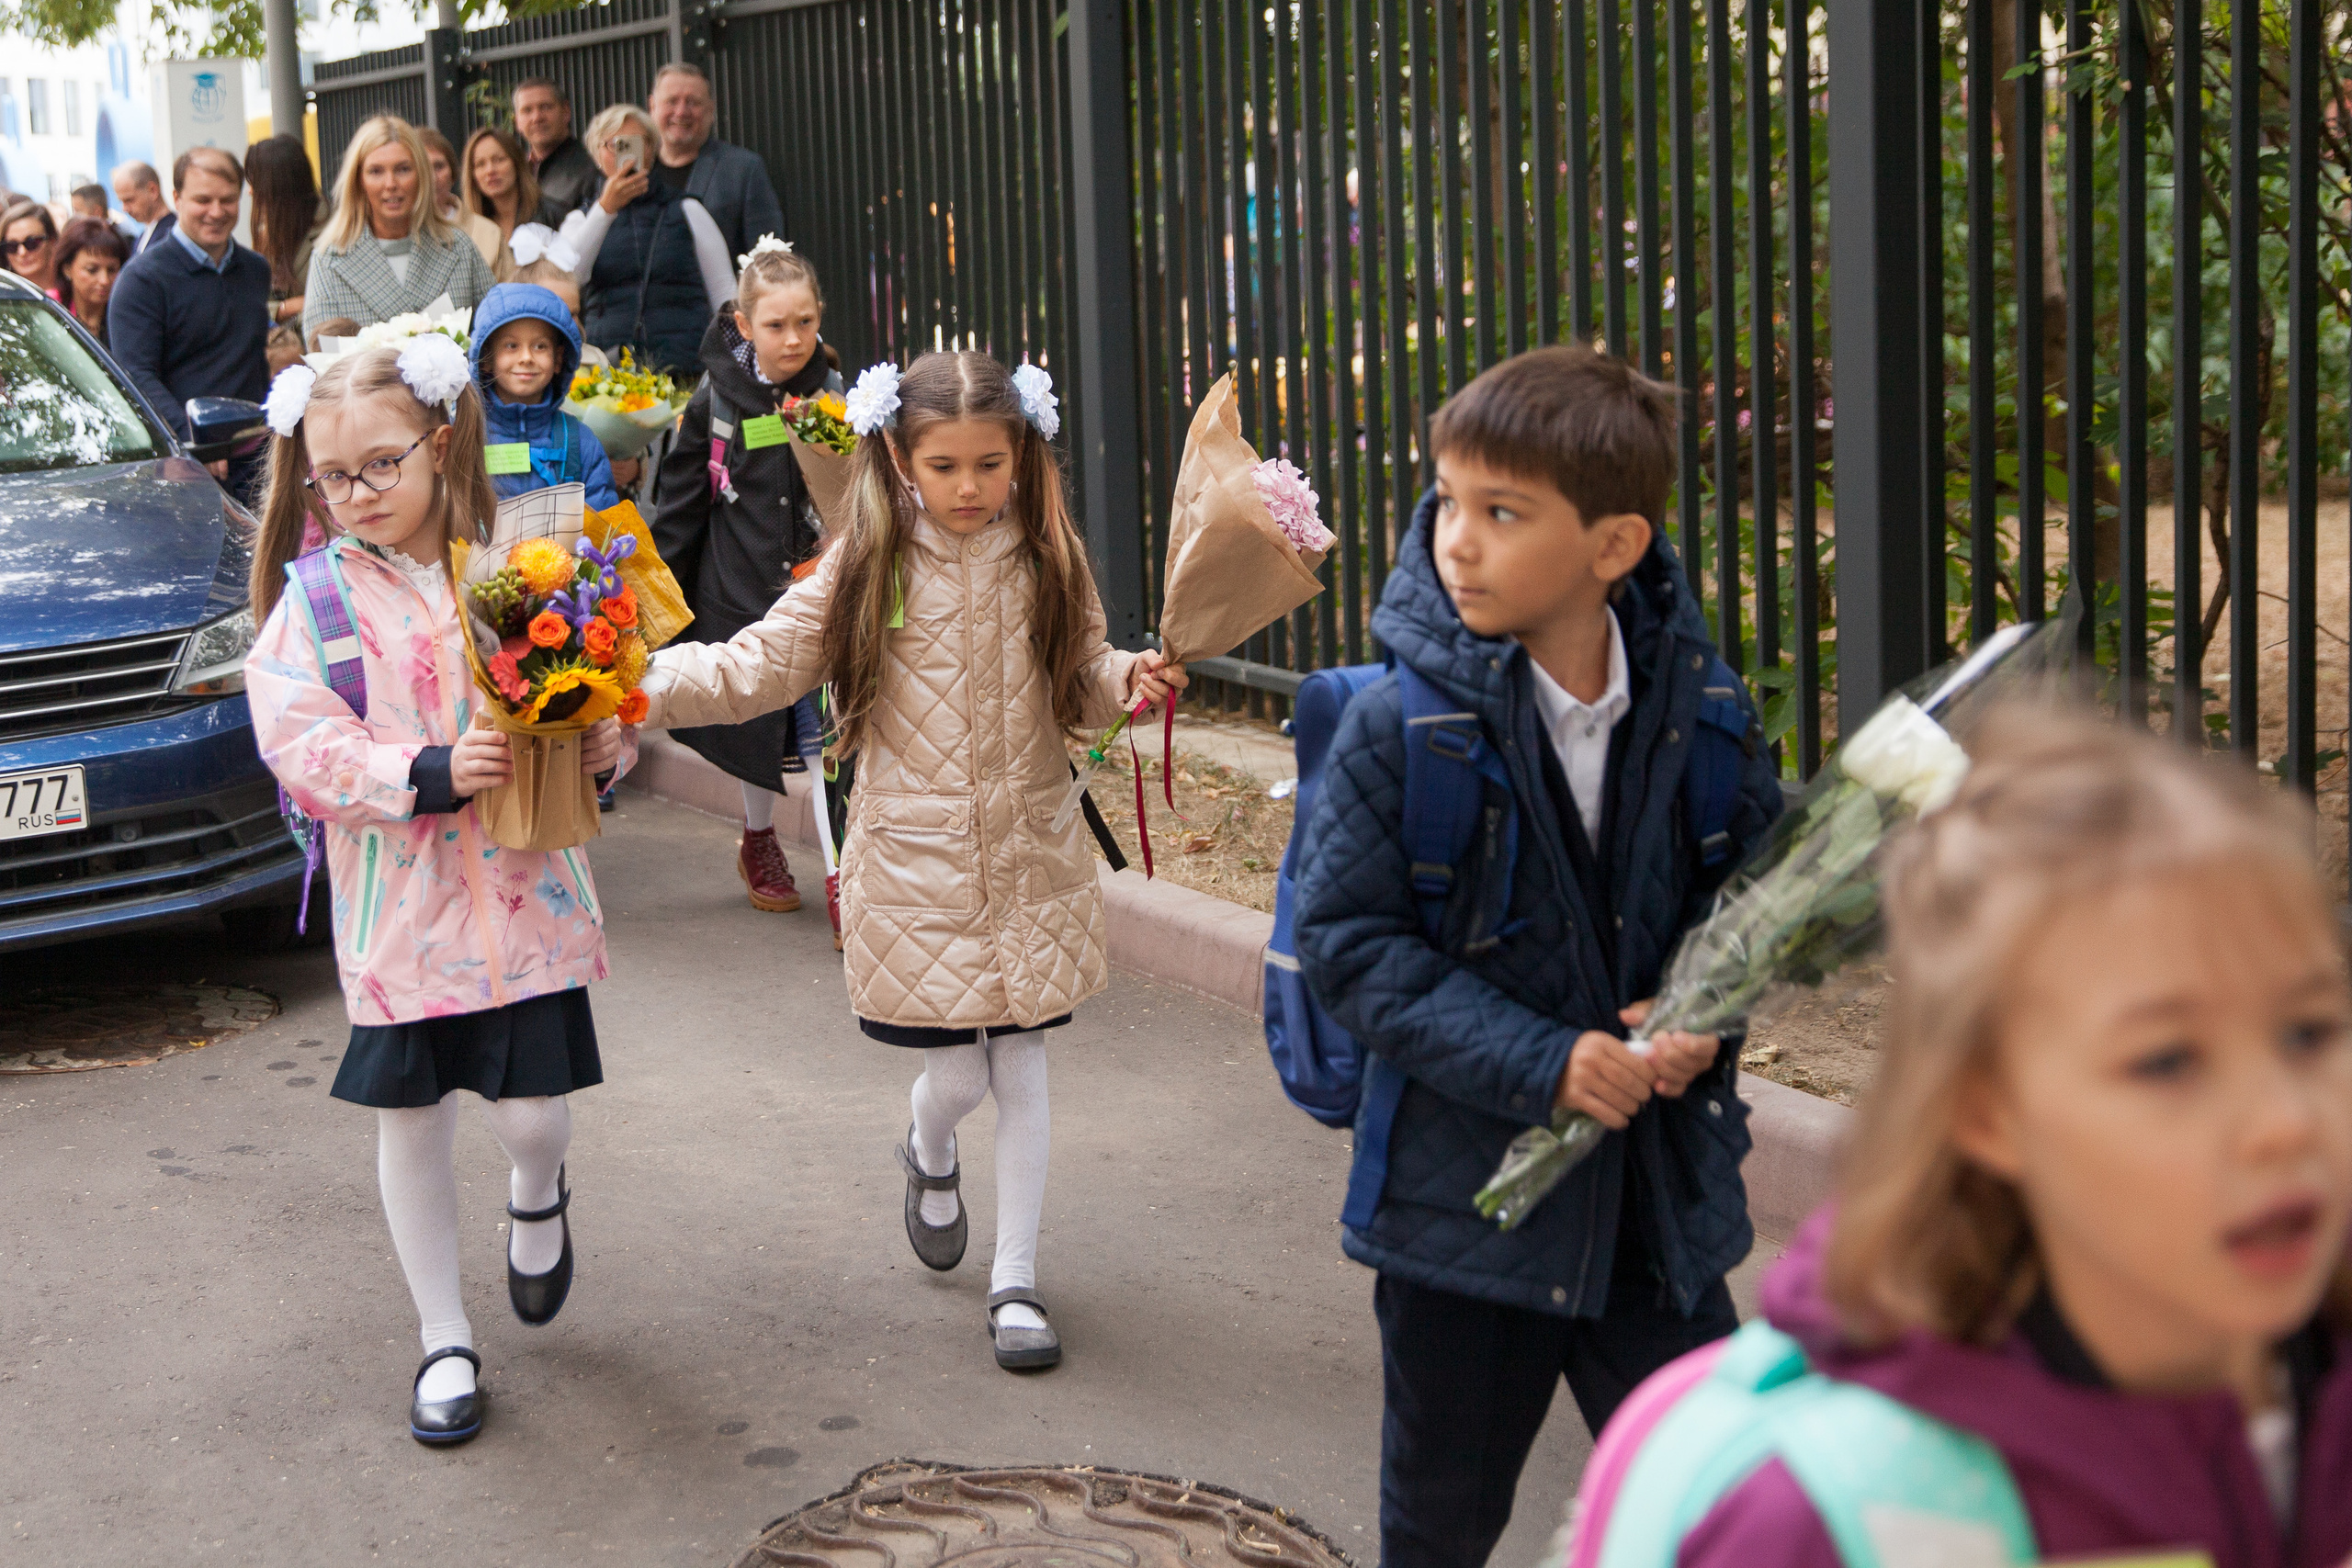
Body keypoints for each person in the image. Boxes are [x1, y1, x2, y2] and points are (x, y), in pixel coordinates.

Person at [1576, 714, 2352, 1567]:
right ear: (1988, 1111)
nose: (2284, 1121)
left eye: (2309, 1031)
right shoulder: (1825, 1523)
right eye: (2168, 1061)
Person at [1290, 344, 1782, 1568]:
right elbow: (1347, 946)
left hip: (1652, 1219)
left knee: (1728, 1513)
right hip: (1466, 1221)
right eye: (1448, 499)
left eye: (1502, 512)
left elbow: (1757, 898)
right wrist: (1545, 1060)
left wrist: (1703, 1008)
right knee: (1442, 1526)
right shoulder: (1399, 727)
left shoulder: (1705, 711)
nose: (1456, 539)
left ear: (1614, 546)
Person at [639, 352, 1187, 1372]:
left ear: (1021, 453)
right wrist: (637, 683)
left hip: (1027, 847)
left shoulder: (1048, 553)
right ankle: (927, 1150)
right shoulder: (864, 560)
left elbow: (1079, 676)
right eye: (946, 465)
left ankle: (1014, 1282)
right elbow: (757, 662)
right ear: (898, 455)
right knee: (955, 1074)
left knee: (1019, 1060)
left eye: (990, 463)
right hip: (915, 854)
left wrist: (1128, 679)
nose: (971, 487)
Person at [244, 342, 628, 1449]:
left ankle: (537, 1194)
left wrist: (598, 739)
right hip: (400, 920)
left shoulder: (516, 566)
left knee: (534, 1116)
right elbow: (298, 740)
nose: (358, 494)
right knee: (409, 1122)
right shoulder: (312, 600)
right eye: (334, 476)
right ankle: (443, 1338)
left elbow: (582, 697)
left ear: (440, 444)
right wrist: (416, 774)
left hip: (528, 897)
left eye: (381, 465)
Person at [652, 241, 841, 910]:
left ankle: (843, 879)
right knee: (759, 726)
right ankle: (757, 837)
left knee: (824, 743)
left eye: (806, 322)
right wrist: (654, 607)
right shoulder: (715, 400)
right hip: (744, 599)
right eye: (776, 325)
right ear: (741, 322)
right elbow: (680, 502)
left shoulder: (834, 392)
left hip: (819, 594)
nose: (793, 339)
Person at [107, 148, 272, 493]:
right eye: (203, 200)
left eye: (228, 200)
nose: (216, 212)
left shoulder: (256, 270)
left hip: (258, 462)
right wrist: (194, 441)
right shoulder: (142, 280)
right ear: (177, 198)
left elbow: (254, 361)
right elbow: (136, 376)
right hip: (183, 470)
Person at [564, 103, 733, 377]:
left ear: (652, 151)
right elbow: (569, 278)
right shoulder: (581, 219)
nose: (628, 153)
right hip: (609, 370)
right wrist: (605, 210)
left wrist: (735, 358)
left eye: (636, 143)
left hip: (685, 365)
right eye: (615, 144)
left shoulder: (687, 209)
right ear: (597, 154)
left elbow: (724, 291)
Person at [303, 115, 496, 340]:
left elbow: (496, 334)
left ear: (421, 175)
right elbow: (325, 358)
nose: (391, 184)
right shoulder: (328, 260)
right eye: (376, 171)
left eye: (403, 169)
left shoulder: (459, 247)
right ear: (358, 181)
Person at [467, 281, 618, 510]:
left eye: (540, 346)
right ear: (486, 358)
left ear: (558, 359)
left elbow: (603, 527)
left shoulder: (581, 443)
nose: (526, 357)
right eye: (511, 345)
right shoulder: (463, 434)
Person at [644, 62, 784, 264]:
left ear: (711, 109)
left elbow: (768, 256)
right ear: (652, 106)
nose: (682, 111)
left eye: (693, 102)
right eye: (672, 101)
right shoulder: (634, 171)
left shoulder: (743, 170)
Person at [246, 133, 324, 333]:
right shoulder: (268, 234)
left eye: (255, 183)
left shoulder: (333, 233)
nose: (250, 192)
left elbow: (332, 304)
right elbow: (252, 305)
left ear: (278, 187)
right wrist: (286, 308)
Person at [416, 125, 504, 278]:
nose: (432, 177)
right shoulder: (390, 234)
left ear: (452, 173)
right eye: (422, 167)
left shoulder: (489, 233)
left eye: (439, 166)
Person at [460, 126, 548, 277]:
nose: (490, 170)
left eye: (499, 160)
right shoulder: (467, 231)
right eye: (480, 164)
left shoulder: (550, 214)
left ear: (517, 163)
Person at [513, 77, 599, 220]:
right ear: (517, 122)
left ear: (566, 111)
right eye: (527, 110)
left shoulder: (593, 166)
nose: (536, 117)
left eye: (545, 107)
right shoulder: (513, 174)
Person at [52, 217, 129, 345]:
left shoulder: (130, 315)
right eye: (92, 270)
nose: (104, 280)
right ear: (67, 269)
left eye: (112, 270)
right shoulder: (50, 310)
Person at [112, 161, 175, 256]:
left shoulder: (173, 234)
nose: (124, 209)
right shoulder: (142, 238)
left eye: (129, 200)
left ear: (152, 190)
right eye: (121, 201)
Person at [3, 199, 60, 297]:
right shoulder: (4, 299)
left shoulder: (75, 292)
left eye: (31, 243)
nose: (22, 252)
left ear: (52, 240)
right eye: (12, 246)